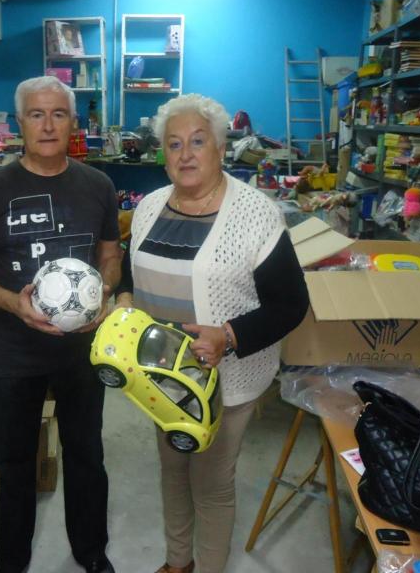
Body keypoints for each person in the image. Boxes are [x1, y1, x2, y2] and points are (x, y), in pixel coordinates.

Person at [115, 94, 309, 573]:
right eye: (174, 143)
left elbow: (291, 303)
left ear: (221, 149)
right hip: (160, 374)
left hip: (224, 377)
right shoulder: (150, 206)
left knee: (211, 483)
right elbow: (130, 268)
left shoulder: (256, 215)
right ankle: (177, 563)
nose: (185, 154)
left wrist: (229, 335)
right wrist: (122, 299)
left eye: (198, 142)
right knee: (172, 470)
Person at [0, 75, 122, 573]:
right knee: (16, 464)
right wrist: (13, 302)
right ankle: (12, 563)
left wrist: (101, 292)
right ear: (20, 122)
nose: (48, 125)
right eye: (36, 114)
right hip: (15, 351)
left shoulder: (98, 186)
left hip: (82, 350)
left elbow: (110, 255)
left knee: (87, 456)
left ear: (73, 122)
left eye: (58, 114)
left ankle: (91, 555)